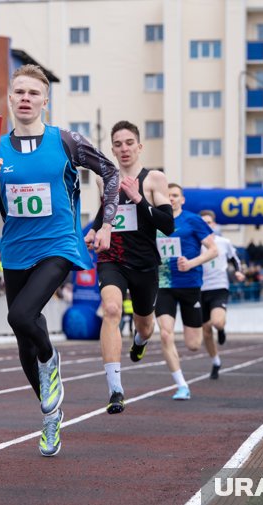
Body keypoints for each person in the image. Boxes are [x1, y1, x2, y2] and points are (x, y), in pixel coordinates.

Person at [0, 64, 119, 457]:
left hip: (59, 245)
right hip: (16, 250)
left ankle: (51, 359)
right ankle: (51, 417)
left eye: (33, 93)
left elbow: (111, 172)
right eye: (19, 92)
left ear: (45, 101)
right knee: (23, 340)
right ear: (10, 98)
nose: (25, 99)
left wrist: (105, 224)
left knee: (20, 316)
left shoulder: (67, 141)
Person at [85, 120, 174, 414]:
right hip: (113, 258)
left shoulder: (154, 180)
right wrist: (94, 230)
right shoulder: (104, 178)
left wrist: (138, 198)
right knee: (111, 309)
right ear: (112, 149)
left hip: (145, 263)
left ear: (139, 146)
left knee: (146, 326)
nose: (124, 149)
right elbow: (106, 212)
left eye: (129, 143)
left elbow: (168, 225)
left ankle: (139, 341)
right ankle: (116, 390)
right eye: (118, 144)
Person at [154, 184, 217, 400]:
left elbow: (213, 250)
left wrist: (191, 263)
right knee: (165, 333)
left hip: (190, 284)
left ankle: (176, 351)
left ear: (182, 199)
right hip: (163, 285)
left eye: (174, 196)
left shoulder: (193, 220)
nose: (170, 199)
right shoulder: (155, 221)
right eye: (167, 195)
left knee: (193, 345)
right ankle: (181, 385)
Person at [199, 210, 245, 380]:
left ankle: (221, 328)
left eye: (209, 222)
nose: (206, 225)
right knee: (205, 331)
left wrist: (239, 273)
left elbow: (235, 260)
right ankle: (216, 361)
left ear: (214, 224)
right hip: (199, 289)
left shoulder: (223, 242)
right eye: (203, 222)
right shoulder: (194, 242)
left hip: (219, 287)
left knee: (217, 322)